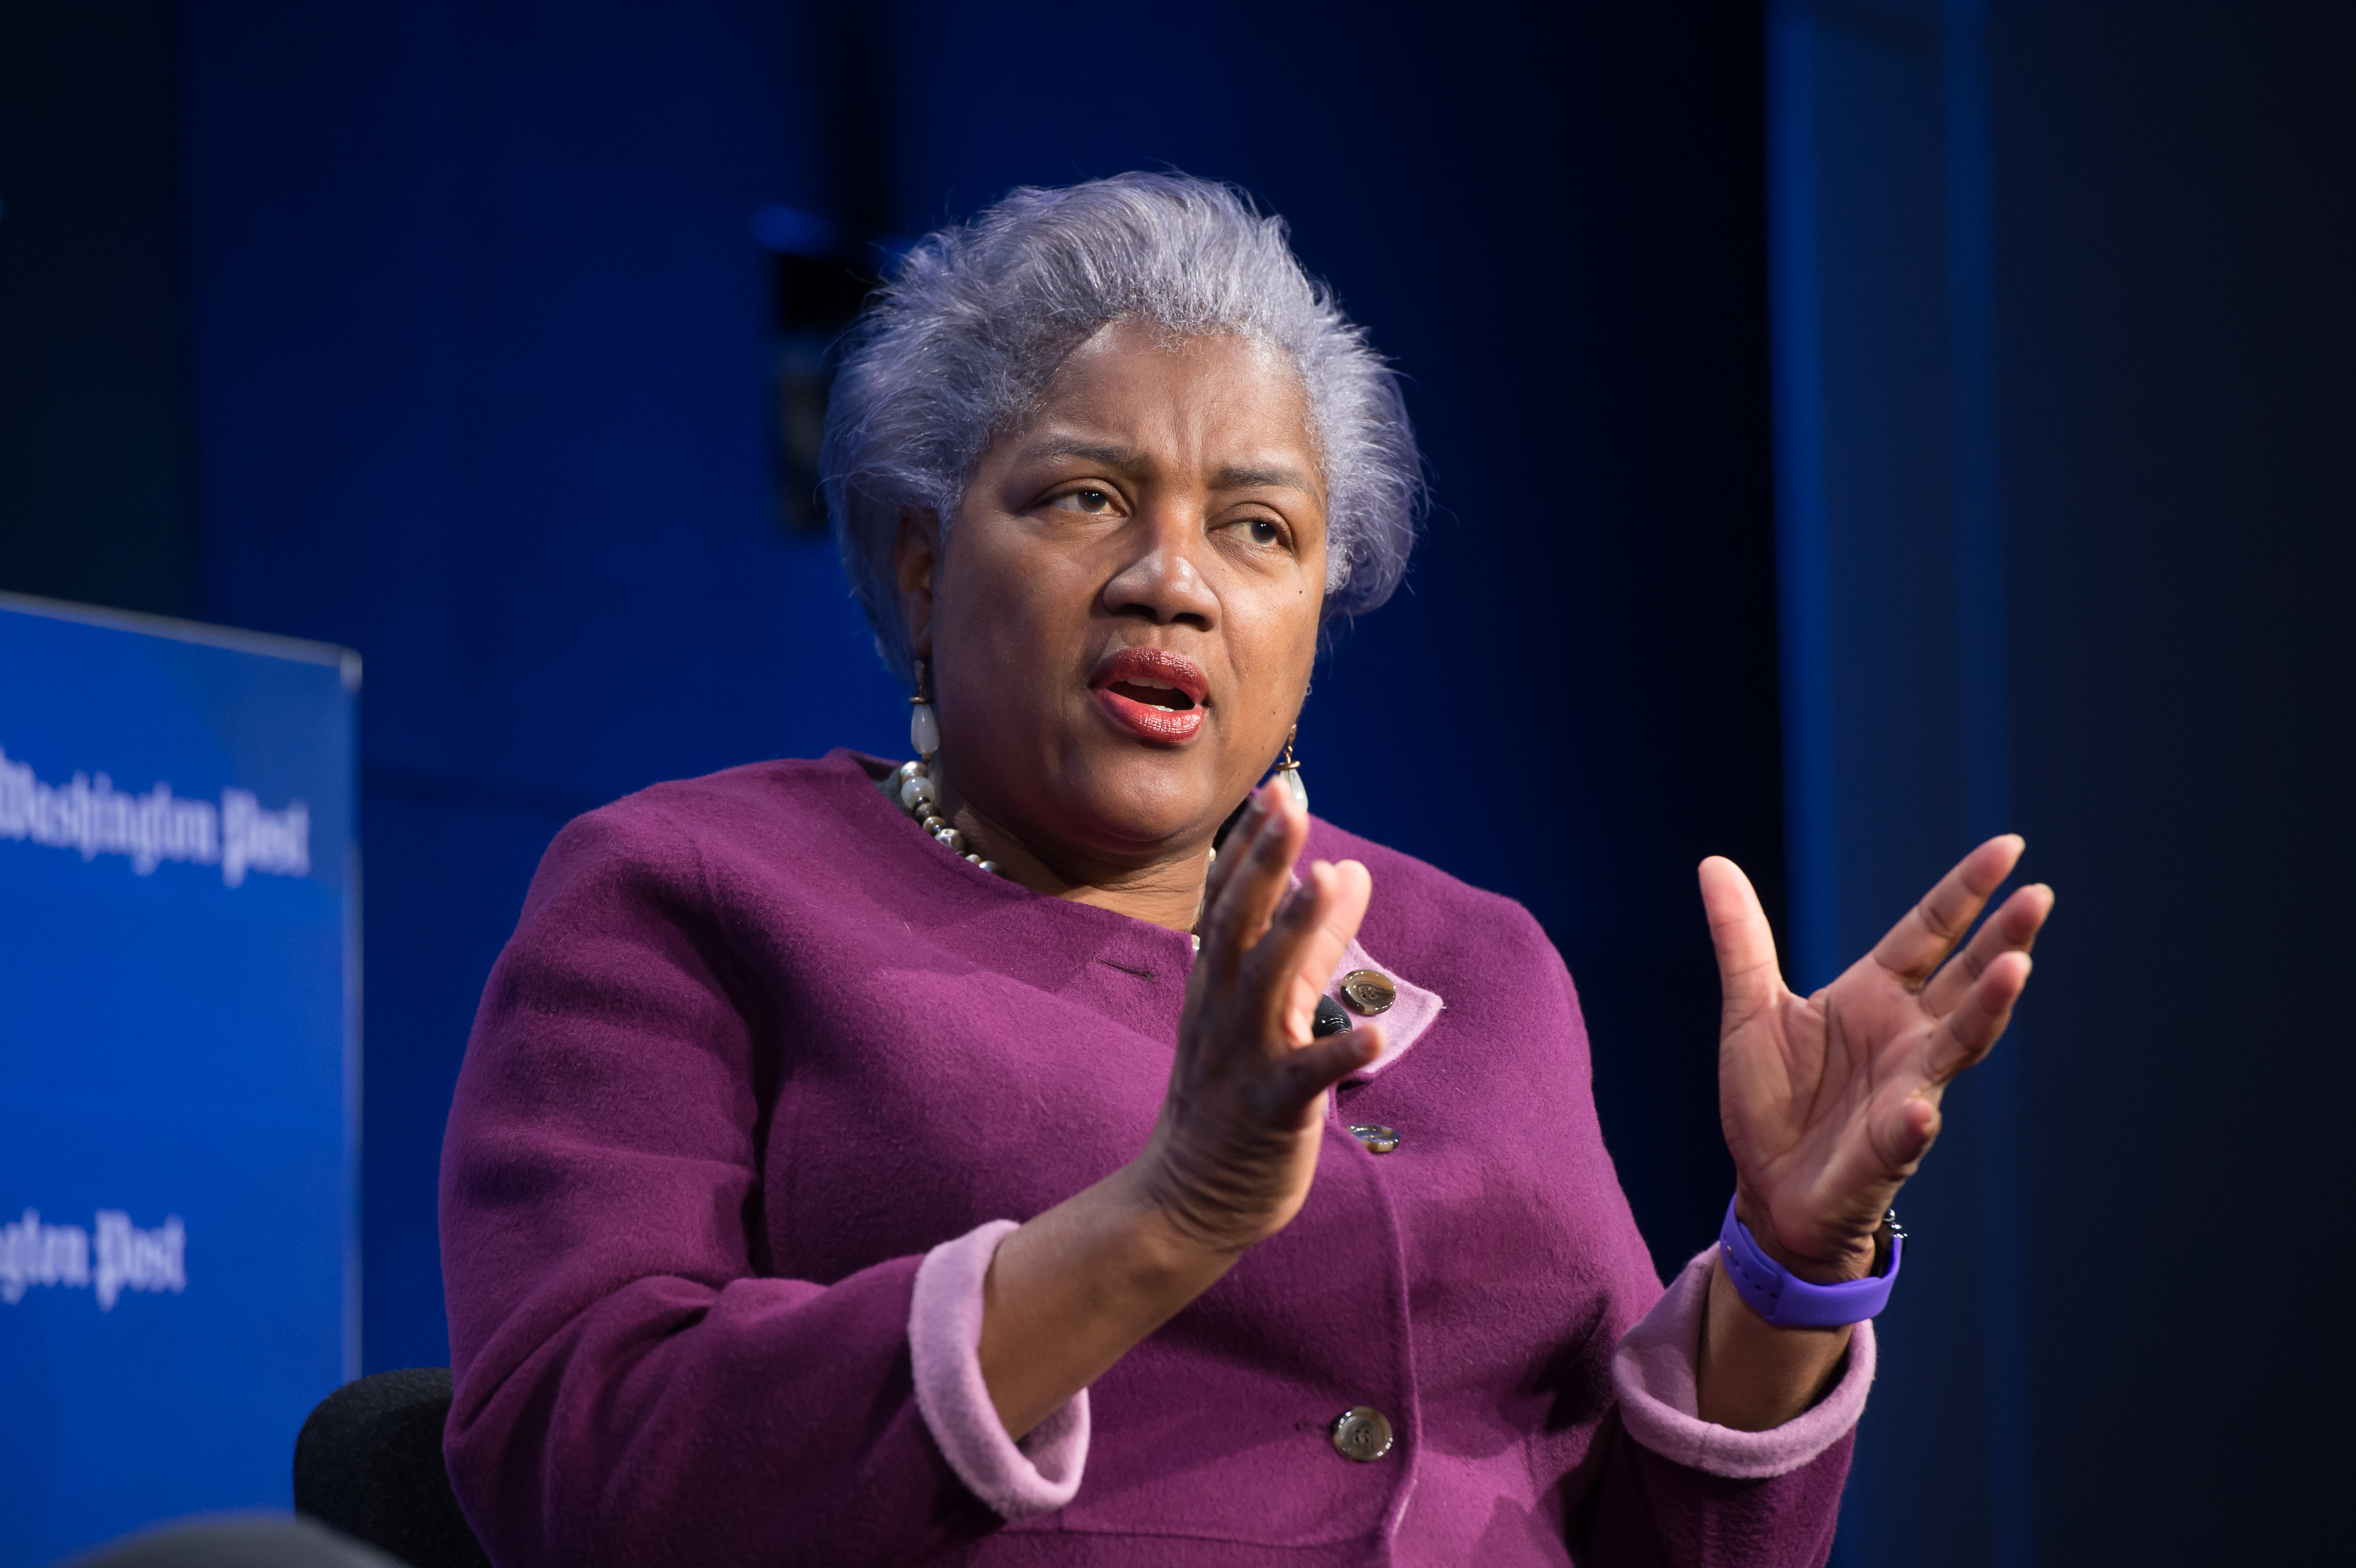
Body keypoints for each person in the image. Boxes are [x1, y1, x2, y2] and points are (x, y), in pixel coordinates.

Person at [437, 173, 2051, 1566]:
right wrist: (1163, 1220)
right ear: (923, 564)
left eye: (1259, 529)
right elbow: (585, 1469)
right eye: (1085, 497)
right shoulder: (694, 895)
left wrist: (1790, 1265)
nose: (1173, 581)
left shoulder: (1478, 959)